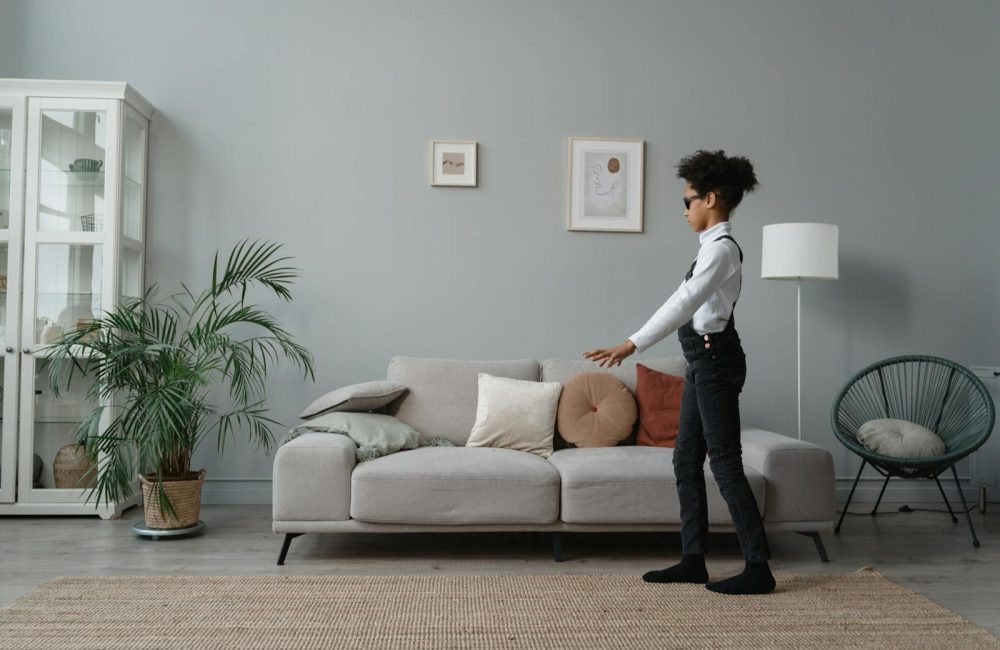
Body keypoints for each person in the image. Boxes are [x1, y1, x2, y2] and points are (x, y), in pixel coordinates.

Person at [582, 149, 775, 595]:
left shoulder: (722, 252)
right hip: (700, 362)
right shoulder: (708, 251)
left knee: (724, 464)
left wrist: (631, 344)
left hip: (716, 362)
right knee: (685, 458)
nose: (684, 210)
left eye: (687, 200)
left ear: (710, 199)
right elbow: (682, 298)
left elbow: (683, 305)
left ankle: (759, 568)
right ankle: (693, 560)